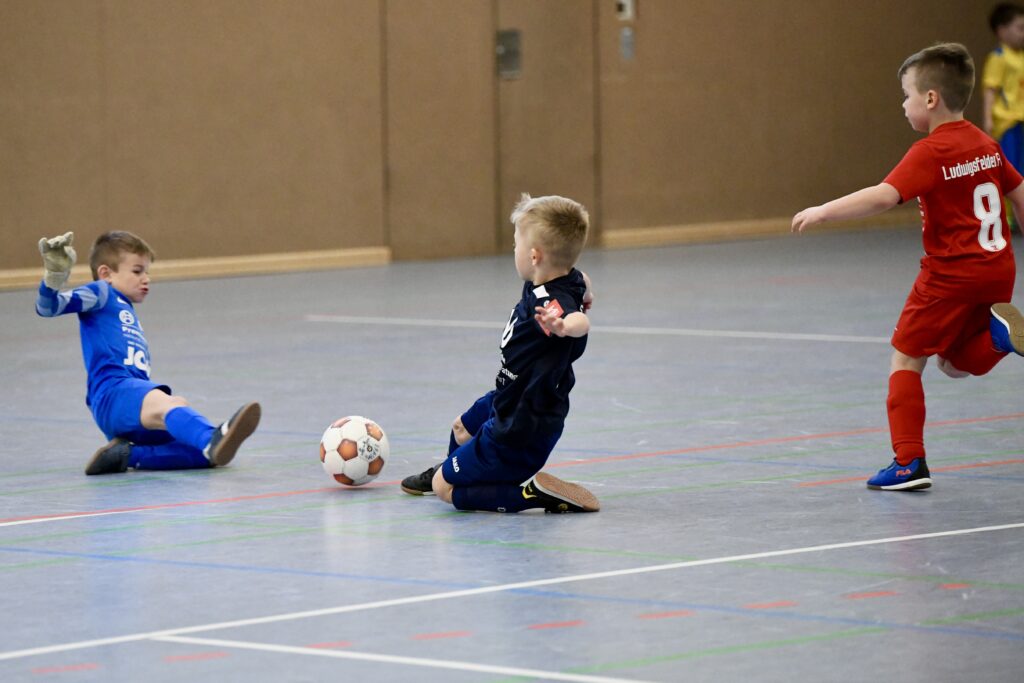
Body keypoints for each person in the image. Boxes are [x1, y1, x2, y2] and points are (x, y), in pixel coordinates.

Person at [792, 42, 1024, 491]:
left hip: (948, 277)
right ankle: (998, 337)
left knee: (907, 358)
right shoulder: (986, 143)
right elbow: (1019, 193)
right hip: (998, 269)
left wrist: (824, 209)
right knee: (955, 363)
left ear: (931, 99)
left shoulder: (930, 152)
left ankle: (908, 462)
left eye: (906, 95)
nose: (903, 105)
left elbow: (884, 195)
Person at [400, 194, 600, 513]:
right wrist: (588, 293)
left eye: (516, 245)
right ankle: (455, 467)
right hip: (509, 396)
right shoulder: (561, 277)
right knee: (461, 428)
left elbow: (581, 322)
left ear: (534, 256)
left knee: (444, 489)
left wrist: (564, 324)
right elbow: (583, 281)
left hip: (523, 424)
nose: (513, 251)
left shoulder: (549, 303)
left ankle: (530, 494)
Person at [35, 230, 261, 475]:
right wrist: (54, 278)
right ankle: (212, 437)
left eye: (147, 272)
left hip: (130, 403)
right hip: (114, 393)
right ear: (106, 274)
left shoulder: (126, 309)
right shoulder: (101, 292)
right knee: (176, 412)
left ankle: (126, 455)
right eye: (137, 271)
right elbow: (48, 308)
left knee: (198, 447)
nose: (146, 279)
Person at [982, 3, 1024, 231]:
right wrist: (988, 118)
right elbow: (991, 89)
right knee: (1008, 172)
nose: (1023, 34)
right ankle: (1005, 218)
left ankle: (1020, 214)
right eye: (1020, 28)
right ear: (1002, 30)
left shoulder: (1021, 57)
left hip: (1021, 120)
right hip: (1006, 123)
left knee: (1022, 171)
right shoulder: (999, 57)